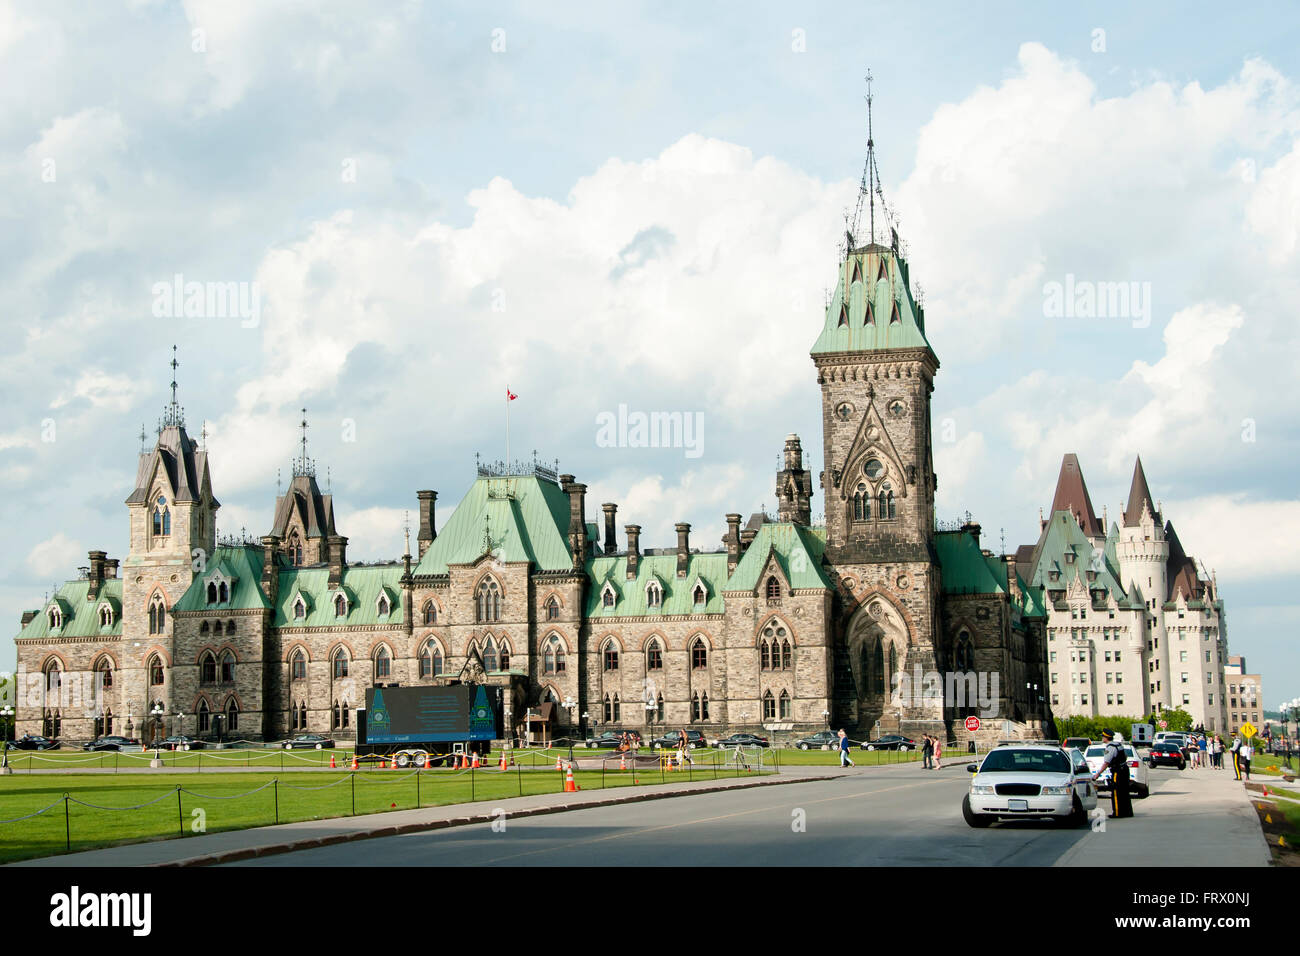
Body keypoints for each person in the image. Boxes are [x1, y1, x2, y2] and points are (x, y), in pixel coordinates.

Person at [1096, 729, 1133, 818]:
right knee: (1125, 791)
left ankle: (1117, 812)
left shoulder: (1110, 747)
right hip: (1125, 770)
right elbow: (1125, 756)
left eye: (1103, 737)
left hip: (1118, 771)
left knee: (1116, 791)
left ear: (1106, 737)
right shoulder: (1118, 745)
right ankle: (1127, 812)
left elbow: (1106, 763)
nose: (1102, 738)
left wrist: (1098, 774)